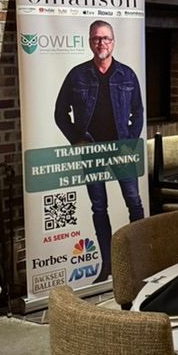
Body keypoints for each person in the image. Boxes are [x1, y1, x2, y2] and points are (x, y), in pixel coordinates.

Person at [54, 20, 145, 282]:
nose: (101, 43)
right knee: (98, 207)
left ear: (113, 42)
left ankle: (137, 258)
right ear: (89, 41)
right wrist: (77, 139)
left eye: (105, 38)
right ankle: (107, 265)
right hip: (92, 150)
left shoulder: (127, 75)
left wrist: (128, 142)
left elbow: (137, 111)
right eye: (96, 38)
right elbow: (60, 113)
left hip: (121, 150)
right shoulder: (77, 75)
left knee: (134, 203)